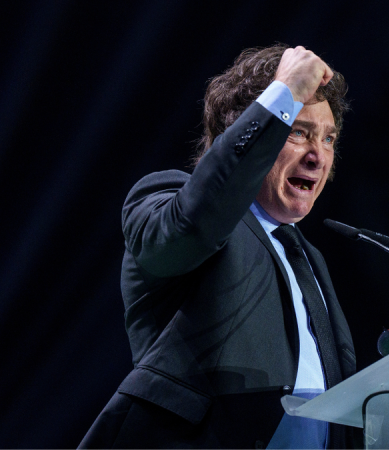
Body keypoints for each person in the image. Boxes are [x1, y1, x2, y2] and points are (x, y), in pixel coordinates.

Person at [79, 44, 356, 448]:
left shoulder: (308, 257)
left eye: (328, 139)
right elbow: (193, 226)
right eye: (298, 132)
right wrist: (285, 92)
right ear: (241, 128)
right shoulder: (165, 199)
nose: (318, 156)